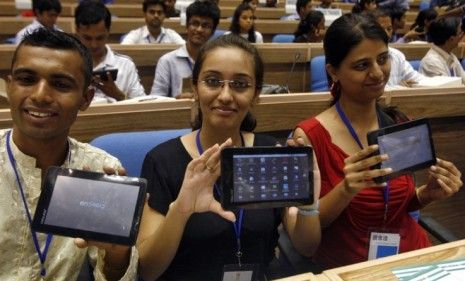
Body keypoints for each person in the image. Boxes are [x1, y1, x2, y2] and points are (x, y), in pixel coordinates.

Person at [137, 34, 321, 281]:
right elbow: (146, 270)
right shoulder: (162, 161)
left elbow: (306, 247)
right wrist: (180, 211)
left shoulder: (269, 154)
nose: (225, 95)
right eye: (213, 81)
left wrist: (309, 206)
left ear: (256, 95)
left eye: (240, 84)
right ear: (195, 88)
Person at [293, 13, 462, 269]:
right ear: (333, 72)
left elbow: (396, 203)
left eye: (382, 59)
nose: (377, 73)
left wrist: (425, 195)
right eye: (361, 65)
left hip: (410, 258)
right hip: (353, 267)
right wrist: (346, 189)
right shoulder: (309, 137)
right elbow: (309, 235)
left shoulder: (398, 122)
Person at [1, 27, 138, 281]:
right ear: (9, 88)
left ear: (86, 98)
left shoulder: (100, 169)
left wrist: (118, 255)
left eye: (61, 84)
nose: (40, 95)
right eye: (27, 79)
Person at [75, 0, 146, 103]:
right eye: (87, 38)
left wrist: (118, 95)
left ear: (108, 31)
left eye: (100, 38)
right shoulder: (66, 64)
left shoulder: (126, 65)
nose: (94, 45)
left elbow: (143, 105)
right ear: (77, 31)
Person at [150, 0, 220, 98]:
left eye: (205, 25)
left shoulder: (219, 61)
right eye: (195, 23)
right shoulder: (167, 61)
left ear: (213, 32)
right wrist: (176, 100)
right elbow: (155, 100)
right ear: (187, 27)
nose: (199, 29)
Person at [368, 9, 426, 87]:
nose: (387, 35)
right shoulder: (363, 58)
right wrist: (398, 87)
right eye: (381, 30)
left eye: (389, 29)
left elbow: (418, 79)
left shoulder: (397, 55)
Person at [419, 17, 465, 83]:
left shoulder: (450, 55)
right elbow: (449, 89)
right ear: (451, 39)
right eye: (460, 34)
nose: (462, 36)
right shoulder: (432, 62)